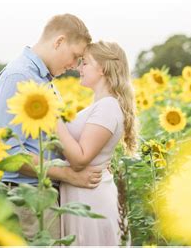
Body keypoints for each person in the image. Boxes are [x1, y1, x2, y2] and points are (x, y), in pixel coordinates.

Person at [0, 13, 103, 240]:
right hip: (27, 199)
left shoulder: (43, 80)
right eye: (75, 56)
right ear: (59, 41)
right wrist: (70, 175)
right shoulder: (19, 76)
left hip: (42, 196)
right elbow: (10, 154)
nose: (74, 66)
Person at [56, 41, 137, 245]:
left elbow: (81, 159)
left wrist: (53, 120)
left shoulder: (108, 107)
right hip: (85, 195)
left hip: (91, 199)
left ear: (102, 68)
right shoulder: (102, 105)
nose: (78, 68)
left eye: (85, 63)